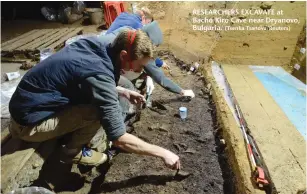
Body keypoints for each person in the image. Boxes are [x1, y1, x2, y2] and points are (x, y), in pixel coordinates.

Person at [8, 29, 180, 170]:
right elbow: (119, 138)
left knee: (100, 98)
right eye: (139, 65)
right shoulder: (100, 73)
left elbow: (85, 77)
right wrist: (163, 153)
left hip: (27, 103)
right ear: (123, 55)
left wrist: (120, 90)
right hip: (26, 124)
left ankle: (67, 136)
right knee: (98, 111)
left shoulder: (99, 45)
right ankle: (71, 152)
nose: (139, 69)